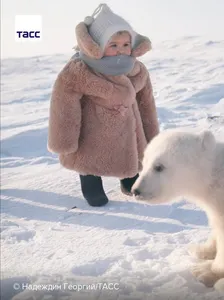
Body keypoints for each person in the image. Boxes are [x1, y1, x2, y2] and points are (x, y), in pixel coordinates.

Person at [47, 3, 159, 207]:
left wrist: (151, 136)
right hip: (93, 130)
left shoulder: (136, 69)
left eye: (126, 44)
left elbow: (146, 104)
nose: (120, 51)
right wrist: (64, 140)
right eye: (113, 45)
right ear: (98, 45)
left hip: (128, 130)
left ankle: (128, 180)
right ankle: (91, 184)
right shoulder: (80, 70)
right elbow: (63, 104)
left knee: (130, 155)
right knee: (89, 158)